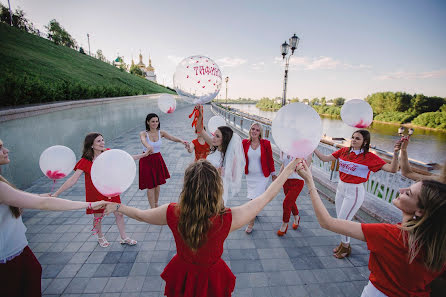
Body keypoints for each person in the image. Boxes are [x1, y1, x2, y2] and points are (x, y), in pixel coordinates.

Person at [103, 158, 300, 297]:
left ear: (186, 186)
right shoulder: (227, 219)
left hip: (182, 274)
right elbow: (264, 198)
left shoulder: (172, 212)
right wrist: (288, 170)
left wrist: (118, 206)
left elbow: (141, 215)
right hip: (212, 277)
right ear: (217, 187)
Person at [295, 159, 446, 297]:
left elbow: (327, 222)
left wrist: (310, 181)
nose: (401, 190)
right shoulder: (438, 244)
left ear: (420, 211)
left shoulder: (391, 235)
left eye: (408, 193)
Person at [0, 138, 106, 297]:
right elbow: (44, 204)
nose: (6, 150)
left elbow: (16, 199)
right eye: (0, 147)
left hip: (17, 249)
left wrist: (38, 196)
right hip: (8, 257)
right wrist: (89, 205)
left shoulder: (3, 182)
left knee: (33, 272)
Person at [313, 129, 399, 258]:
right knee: (340, 220)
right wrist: (312, 146)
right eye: (353, 137)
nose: (353, 140)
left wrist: (397, 154)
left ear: (365, 142)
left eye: (357, 138)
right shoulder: (343, 151)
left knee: (343, 221)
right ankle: (344, 244)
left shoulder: (369, 157)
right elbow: (324, 158)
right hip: (341, 188)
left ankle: (346, 247)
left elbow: (392, 169)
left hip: (354, 191)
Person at [51, 132, 147, 248]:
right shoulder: (85, 161)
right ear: (91, 145)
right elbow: (73, 180)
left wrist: (143, 155)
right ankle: (100, 236)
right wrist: (56, 193)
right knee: (98, 217)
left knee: (119, 213)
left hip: (111, 190)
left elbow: (126, 158)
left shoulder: (107, 153)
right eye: (99, 141)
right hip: (95, 192)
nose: (102, 143)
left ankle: (124, 237)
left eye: (103, 140)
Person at [195, 105, 245, 204]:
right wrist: (200, 115)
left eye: (217, 136)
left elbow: (234, 177)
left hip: (218, 190)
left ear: (224, 139)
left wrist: (223, 172)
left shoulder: (230, 156)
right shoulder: (213, 146)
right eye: (214, 135)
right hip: (205, 186)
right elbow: (200, 129)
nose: (213, 138)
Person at [139, 113, 189, 208]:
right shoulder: (143, 133)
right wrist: (148, 146)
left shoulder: (161, 133)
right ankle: (152, 209)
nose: (155, 123)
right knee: (150, 186)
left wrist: (182, 141)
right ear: (148, 122)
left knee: (157, 185)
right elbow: (143, 140)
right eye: (153, 121)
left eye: (157, 121)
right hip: (146, 160)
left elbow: (172, 138)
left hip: (157, 159)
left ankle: (156, 204)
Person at [242, 122, 276, 233]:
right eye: (253, 129)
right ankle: (255, 211)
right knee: (255, 198)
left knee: (254, 199)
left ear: (260, 132)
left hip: (262, 177)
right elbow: (239, 157)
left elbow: (270, 159)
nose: (254, 131)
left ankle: (250, 223)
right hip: (250, 176)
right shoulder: (244, 143)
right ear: (250, 130)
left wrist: (273, 174)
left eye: (257, 130)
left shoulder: (265, 143)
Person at [276, 151, 312, 236]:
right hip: (286, 180)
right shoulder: (284, 148)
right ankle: (296, 217)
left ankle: (284, 224)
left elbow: (307, 165)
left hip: (298, 180)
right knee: (291, 202)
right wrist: (278, 176)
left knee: (287, 203)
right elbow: (284, 165)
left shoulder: (302, 149)